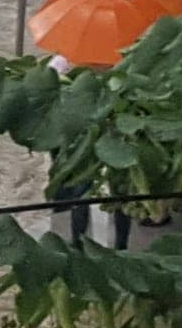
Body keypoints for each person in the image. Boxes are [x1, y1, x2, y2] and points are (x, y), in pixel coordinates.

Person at [48, 53, 132, 248]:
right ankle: (115, 246)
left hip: (80, 137)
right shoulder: (125, 62)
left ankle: (79, 242)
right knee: (114, 189)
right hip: (106, 135)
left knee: (79, 188)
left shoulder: (62, 64)